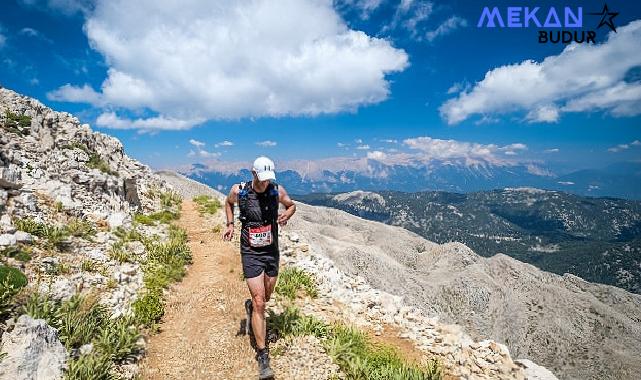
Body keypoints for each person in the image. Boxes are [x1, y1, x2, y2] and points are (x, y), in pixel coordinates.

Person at [222, 156, 296, 380]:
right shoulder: (239, 191)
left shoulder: (276, 191)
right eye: (261, 180)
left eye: (268, 180)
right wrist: (230, 224)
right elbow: (228, 203)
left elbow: (292, 205)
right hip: (251, 252)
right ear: (253, 174)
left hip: (271, 252)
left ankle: (252, 309)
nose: (265, 184)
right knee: (260, 301)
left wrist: (286, 214)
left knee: (268, 293)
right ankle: (263, 356)